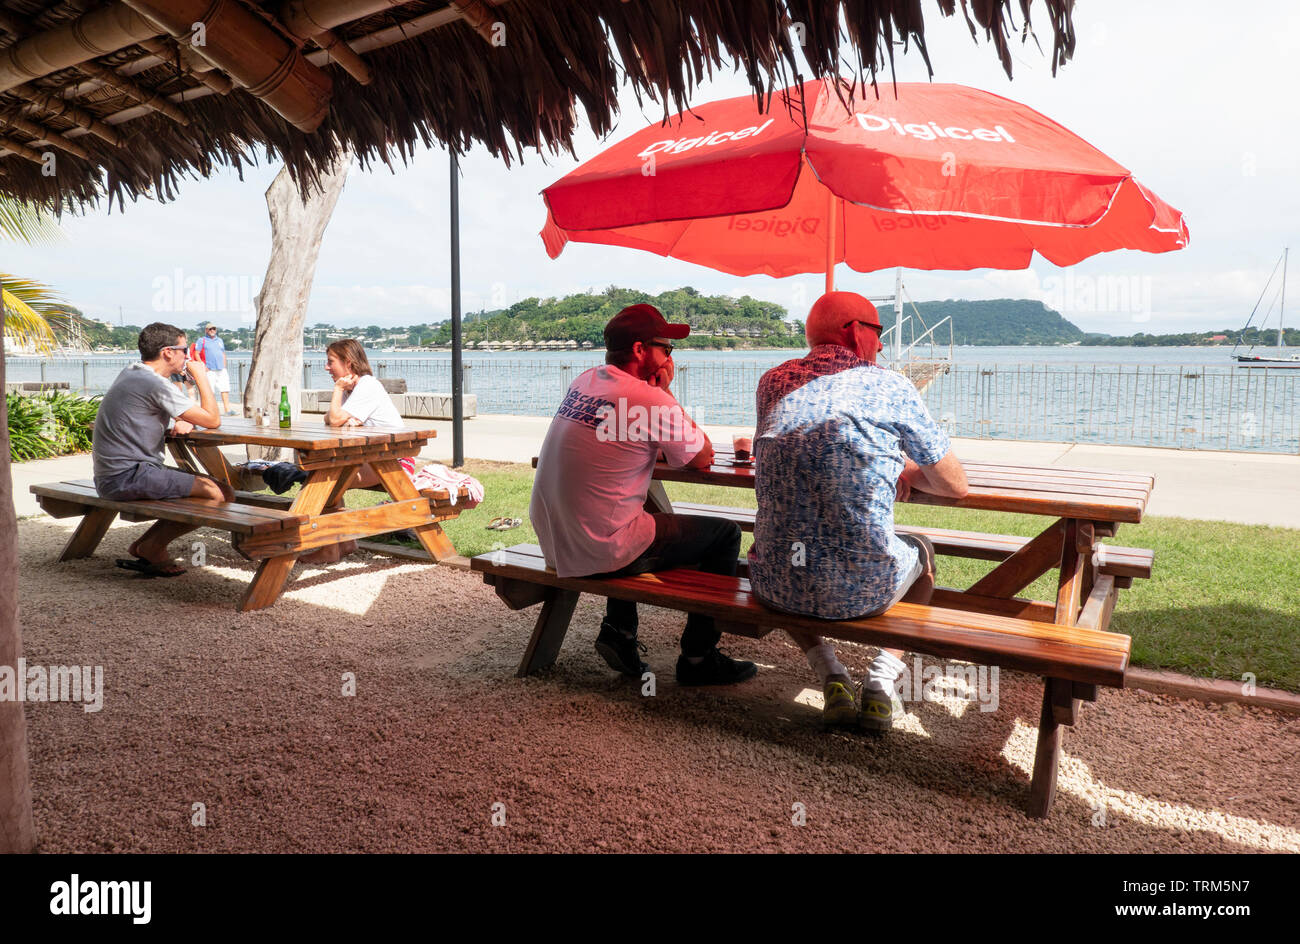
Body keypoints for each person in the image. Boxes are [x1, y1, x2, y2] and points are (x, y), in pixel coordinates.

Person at [749, 292, 968, 731]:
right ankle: (879, 683)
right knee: (922, 550)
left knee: (791, 555)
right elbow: (954, 485)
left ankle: (830, 674)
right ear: (853, 331)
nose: (882, 345)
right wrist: (902, 466)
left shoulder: (773, 382)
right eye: (878, 332)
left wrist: (885, 459)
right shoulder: (890, 385)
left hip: (774, 582)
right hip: (861, 593)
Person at [529, 304, 757, 686]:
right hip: (594, 548)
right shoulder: (650, 398)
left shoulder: (585, 381)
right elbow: (700, 457)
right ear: (639, 350)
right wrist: (666, 392)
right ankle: (699, 658)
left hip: (552, 540)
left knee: (633, 518)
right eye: (666, 348)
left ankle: (621, 630)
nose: (671, 357)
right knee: (725, 534)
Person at [93, 322, 233, 577]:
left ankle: (147, 545)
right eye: (183, 350)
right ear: (168, 352)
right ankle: (152, 546)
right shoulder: (154, 383)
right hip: (128, 476)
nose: (188, 357)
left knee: (222, 489)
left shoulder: (132, 373)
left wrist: (180, 418)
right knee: (217, 494)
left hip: (114, 474)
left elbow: (144, 411)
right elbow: (213, 420)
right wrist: (201, 376)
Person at [297, 338, 412, 564]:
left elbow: (335, 419)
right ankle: (345, 542)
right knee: (328, 478)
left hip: (395, 462)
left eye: (331, 362)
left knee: (325, 483)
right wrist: (340, 410)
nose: (326, 367)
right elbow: (330, 419)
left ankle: (331, 548)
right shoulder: (355, 389)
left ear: (348, 363)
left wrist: (338, 389)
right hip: (375, 458)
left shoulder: (367, 385)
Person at [194, 322, 236, 415]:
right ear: (206, 330)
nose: (212, 330)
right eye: (210, 329)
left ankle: (227, 410)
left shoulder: (220, 340)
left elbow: (223, 353)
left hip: (221, 369)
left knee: (225, 388)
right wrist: (203, 365)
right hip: (209, 370)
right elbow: (196, 353)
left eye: (214, 329)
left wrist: (224, 365)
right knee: (210, 391)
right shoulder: (202, 340)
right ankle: (212, 411)